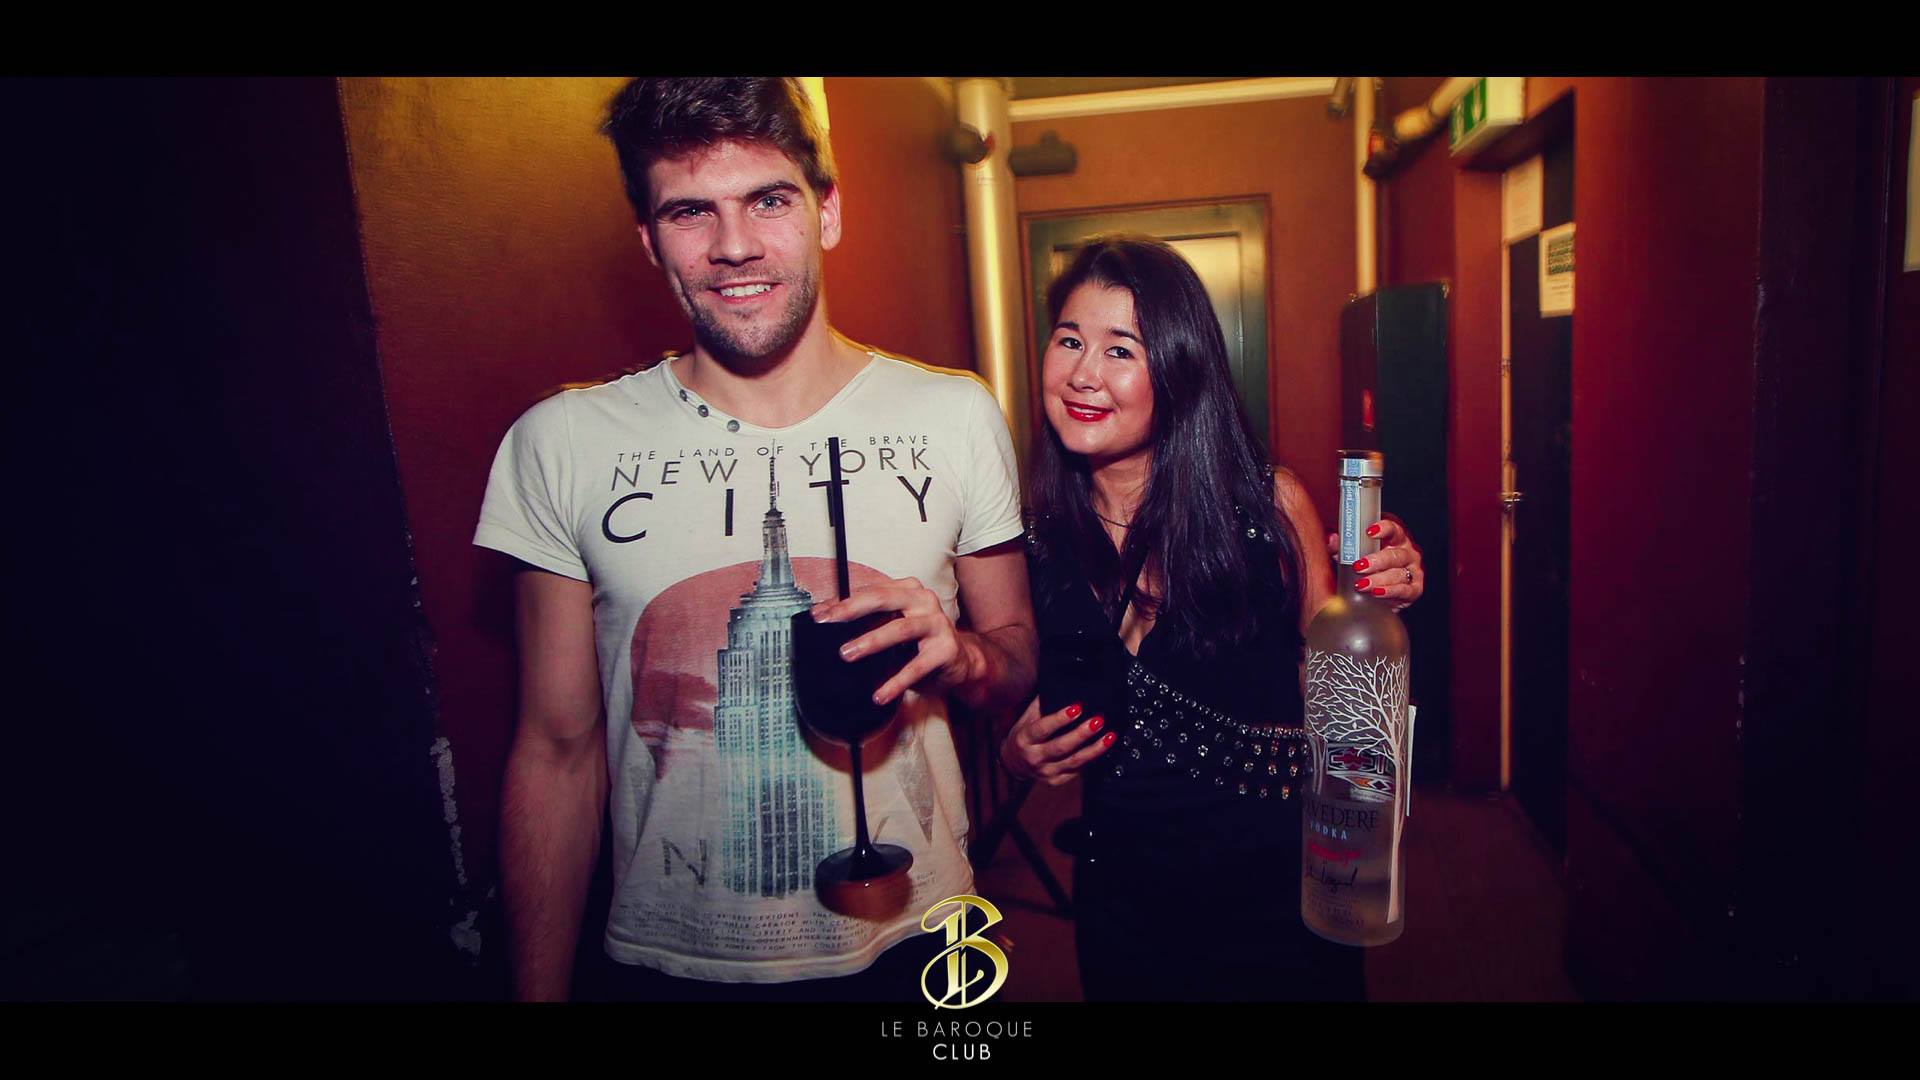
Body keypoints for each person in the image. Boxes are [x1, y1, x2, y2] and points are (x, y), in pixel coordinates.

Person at [475, 77, 1036, 1002]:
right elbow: (555, 752)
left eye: (769, 199)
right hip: (668, 968)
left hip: (919, 949)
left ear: (827, 212)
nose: (733, 245)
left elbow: (1015, 661)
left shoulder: (955, 415)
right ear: (649, 240)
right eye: (691, 211)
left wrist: (966, 655)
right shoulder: (562, 444)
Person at [998, 236, 1425, 1001]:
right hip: (1122, 897)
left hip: (1271, 892)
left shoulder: (1267, 507)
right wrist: (1017, 753)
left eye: (1120, 349)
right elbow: (1014, 685)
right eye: (1068, 340)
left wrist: (1375, 607)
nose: (1084, 373)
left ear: (1179, 367)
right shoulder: (1033, 537)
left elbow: (1337, 700)